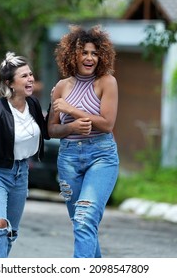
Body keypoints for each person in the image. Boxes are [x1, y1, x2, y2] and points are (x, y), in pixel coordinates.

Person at [47, 24, 119, 258]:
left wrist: (73, 110)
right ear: (72, 55)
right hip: (68, 159)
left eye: (94, 53)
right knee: (81, 223)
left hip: (101, 156)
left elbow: (107, 124)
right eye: (84, 52)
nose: (90, 58)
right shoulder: (61, 87)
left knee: (85, 216)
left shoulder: (107, 82)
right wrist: (71, 127)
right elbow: (52, 129)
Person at [0, 52, 48, 258]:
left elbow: (46, 132)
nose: (30, 79)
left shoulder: (33, 105)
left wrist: (61, 111)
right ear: (10, 83)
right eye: (24, 76)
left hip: (21, 174)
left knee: (10, 232)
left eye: (30, 74)